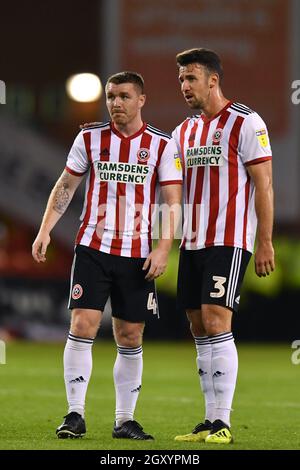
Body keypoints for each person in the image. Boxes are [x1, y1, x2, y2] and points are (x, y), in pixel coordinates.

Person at [32, 71, 182, 440]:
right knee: (82, 324)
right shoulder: (90, 137)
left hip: (137, 254)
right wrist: (45, 229)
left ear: (141, 100)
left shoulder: (162, 145)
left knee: (130, 334)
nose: (116, 103)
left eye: (124, 96)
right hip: (93, 248)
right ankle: (74, 414)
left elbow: (174, 202)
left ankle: (124, 420)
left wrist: (164, 248)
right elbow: (66, 184)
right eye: (111, 96)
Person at [172, 48, 275, 444]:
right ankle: (209, 419)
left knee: (217, 318)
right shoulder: (185, 131)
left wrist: (263, 240)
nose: (184, 86)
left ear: (213, 80)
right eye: (181, 79)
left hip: (229, 238)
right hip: (193, 242)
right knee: (198, 325)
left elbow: (264, 185)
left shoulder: (246, 122)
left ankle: (223, 423)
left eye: (191, 78)